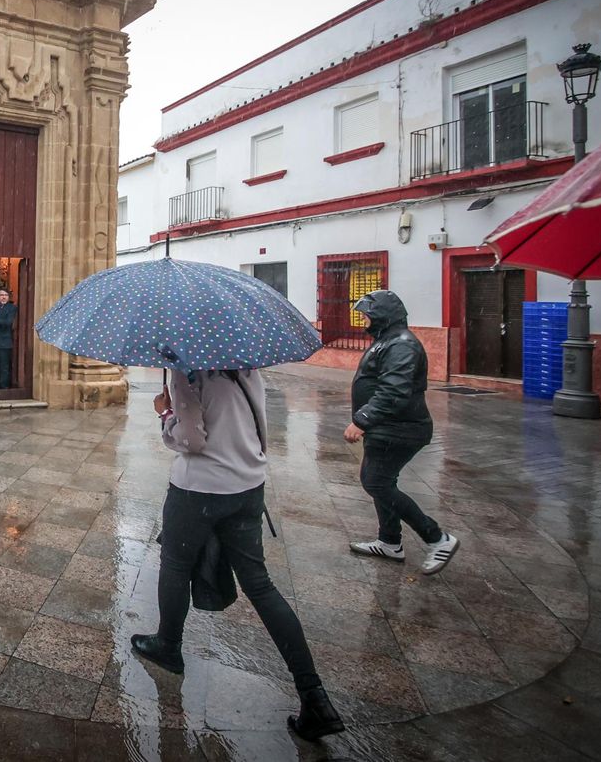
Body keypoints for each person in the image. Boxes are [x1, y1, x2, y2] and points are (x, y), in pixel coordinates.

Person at [130, 367, 344, 742]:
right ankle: (314, 695)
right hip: (248, 487)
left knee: (176, 565)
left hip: (198, 488)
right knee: (261, 586)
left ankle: (168, 644)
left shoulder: (187, 373)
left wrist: (165, 414)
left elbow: (191, 439)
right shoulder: (246, 369)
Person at [344, 289, 459, 575]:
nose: (364, 321)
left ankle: (437, 538)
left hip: (400, 429)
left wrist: (362, 420)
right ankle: (389, 541)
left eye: (367, 315)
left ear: (382, 315)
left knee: (376, 482)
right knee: (380, 481)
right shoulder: (389, 341)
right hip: (387, 427)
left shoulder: (402, 345)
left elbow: (394, 391)